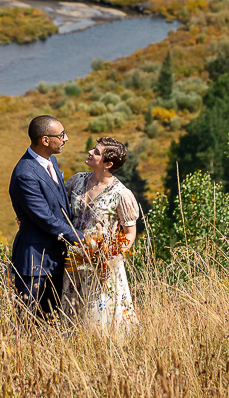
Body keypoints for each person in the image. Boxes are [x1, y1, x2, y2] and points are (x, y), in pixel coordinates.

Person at [61, 136, 140, 333]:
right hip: (74, 260)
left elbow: (130, 233)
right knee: (73, 311)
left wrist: (109, 257)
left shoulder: (121, 194)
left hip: (102, 263)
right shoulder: (77, 180)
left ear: (108, 164)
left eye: (96, 152)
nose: (90, 152)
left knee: (100, 314)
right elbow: (56, 207)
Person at [8, 115, 78, 319]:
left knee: (52, 317)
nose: (66, 139)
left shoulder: (50, 161)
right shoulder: (25, 174)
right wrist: (81, 238)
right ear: (45, 140)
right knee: (28, 320)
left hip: (56, 257)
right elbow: (45, 218)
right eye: (61, 135)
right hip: (35, 260)